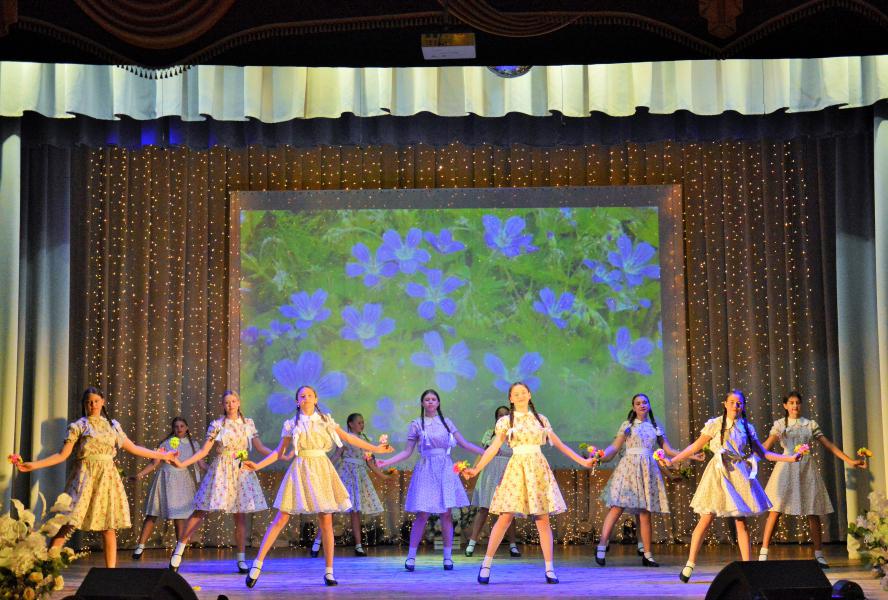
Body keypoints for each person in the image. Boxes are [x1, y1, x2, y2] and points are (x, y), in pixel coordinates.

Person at [243, 385, 393, 587]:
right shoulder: (291, 424)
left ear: (316, 399)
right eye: (302, 396)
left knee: (326, 520)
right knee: (282, 517)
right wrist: (257, 465)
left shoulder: (325, 420)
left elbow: (348, 438)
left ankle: (329, 572)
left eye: (309, 395)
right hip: (301, 469)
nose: (306, 398)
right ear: (297, 401)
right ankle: (257, 565)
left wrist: (376, 449)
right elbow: (279, 452)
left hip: (322, 469)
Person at [15, 387, 176, 567]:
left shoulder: (112, 426)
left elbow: (134, 448)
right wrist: (33, 465)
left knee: (108, 527)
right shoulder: (79, 426)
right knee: (69, 523)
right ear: (85, 404)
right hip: (84, 479)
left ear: (102, 402)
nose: (92, 405)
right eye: (89, 402)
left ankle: (109, 574)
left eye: (96, 401)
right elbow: (62, 455)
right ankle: (45, 567)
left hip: (107, 479)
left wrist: (163, 455)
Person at [661, 390, 802, 583]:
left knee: (740, 521)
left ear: (742, 406)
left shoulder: (746, 427)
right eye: (732, 402)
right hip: (718, 473)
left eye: (739, 403)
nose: (736, 406)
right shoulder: (715, 424)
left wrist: (790, 458)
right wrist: (673, 460)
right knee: (706, 517)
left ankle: (747, 569)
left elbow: (763, 453)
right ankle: (689, 565)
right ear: (725, 404)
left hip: (738, 473)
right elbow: (695, 446)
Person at [461, 382, 596, 584]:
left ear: (530, 395)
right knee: (505, 517)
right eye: (516, 393)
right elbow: (493, 448)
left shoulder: (541, 419)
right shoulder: (505, 421)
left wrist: (583, 461)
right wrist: (476, 469)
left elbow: (559, 444)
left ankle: (549, 569)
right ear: (511, 398)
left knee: (542, 519)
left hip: (537, 468)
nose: (520, 396)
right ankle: (486, 564)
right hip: (516, 467)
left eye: (523, 392)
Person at [376, 388, 485, 572]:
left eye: (434, 399)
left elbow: (464, 443)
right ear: (422, 403)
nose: (430, 402)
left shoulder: (446, 422)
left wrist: (487, 453)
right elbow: (407, 452)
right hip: (426, 468)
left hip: (445, 469)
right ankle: (411, 557)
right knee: (422, 514)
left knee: (446, 514)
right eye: (427, 399)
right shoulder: (417, 424)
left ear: (438, 403)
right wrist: (386, 462)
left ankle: (448, 557)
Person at [167, 390, 273, 574]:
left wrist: (280, 454)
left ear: (238, 402)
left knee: (240, 514)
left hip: (240, 468)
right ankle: (179, 550)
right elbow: (204, 451)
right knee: (201, 510)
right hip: (221, 468)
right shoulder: (217, 424)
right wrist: (183, 463)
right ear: (223, 405)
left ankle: (241, 559)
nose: (230, 405)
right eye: (226, 402)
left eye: (233, 401)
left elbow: (260, 447)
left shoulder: (248, 423)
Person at [759, 390, 866, 567]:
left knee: (812, 510)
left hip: (806, 469)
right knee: (775, 510)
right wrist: (753, 455)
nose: (795, 406)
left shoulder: (809, 424)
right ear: (785, 405)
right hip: (786, 467)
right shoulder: (780, 424)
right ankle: (763, 553)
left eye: (797, 402)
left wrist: (849, 460)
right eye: (791, 403)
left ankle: (819, 554)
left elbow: (828, 445)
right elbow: (766, 446)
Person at [595, 393, 701, 567]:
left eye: (644, 402)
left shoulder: (655, 426)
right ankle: (601, 546)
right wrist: (600, 456)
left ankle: (647, 554)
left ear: (649, 405)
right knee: (617, 507)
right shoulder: (627, 425)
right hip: (628, 469)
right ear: (633, 407)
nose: (642, 405)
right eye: (638, 403)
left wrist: (690, 454)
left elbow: (668, 449)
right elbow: (614, 448)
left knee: (645, 512)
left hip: (647, 470)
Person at [309, 412, 390, 558]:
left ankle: (358, 546)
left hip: (359, 476)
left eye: (362, 422)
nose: (362, 425)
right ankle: (317, 543)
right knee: (332, 509)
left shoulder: (366, 440)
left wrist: (383, 476)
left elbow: (370, 462)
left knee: (355, 511)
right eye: (359, 422)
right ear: (350, 424)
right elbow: (336, 455)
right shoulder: (345, 438)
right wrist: (323, 468)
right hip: (346, 474)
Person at [130, 416, 206, 560]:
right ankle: (140, 546)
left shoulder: (193, 445)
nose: (179, 429)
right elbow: (154, 463)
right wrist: (140, 475)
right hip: (164, 479)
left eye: (182, 426)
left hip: (181, 480)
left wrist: (215, 471)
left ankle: (178, 550)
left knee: (179, 516)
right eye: (176, 426)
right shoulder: (166, 443)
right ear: (173, 429)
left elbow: (201, 464)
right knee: (152, 513)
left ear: (187, 428)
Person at [465, 405, 520, 558]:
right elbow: (482, 453)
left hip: (508, 472)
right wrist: (474, 469)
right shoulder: (490, 434)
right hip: (490, 471)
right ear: (496, 418)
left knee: (508, 511)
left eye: (506, 414)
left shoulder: (516, 434)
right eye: (500, 415)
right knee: (484, 508)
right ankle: (471, 544)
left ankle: (513, 545)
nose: (503, 417)